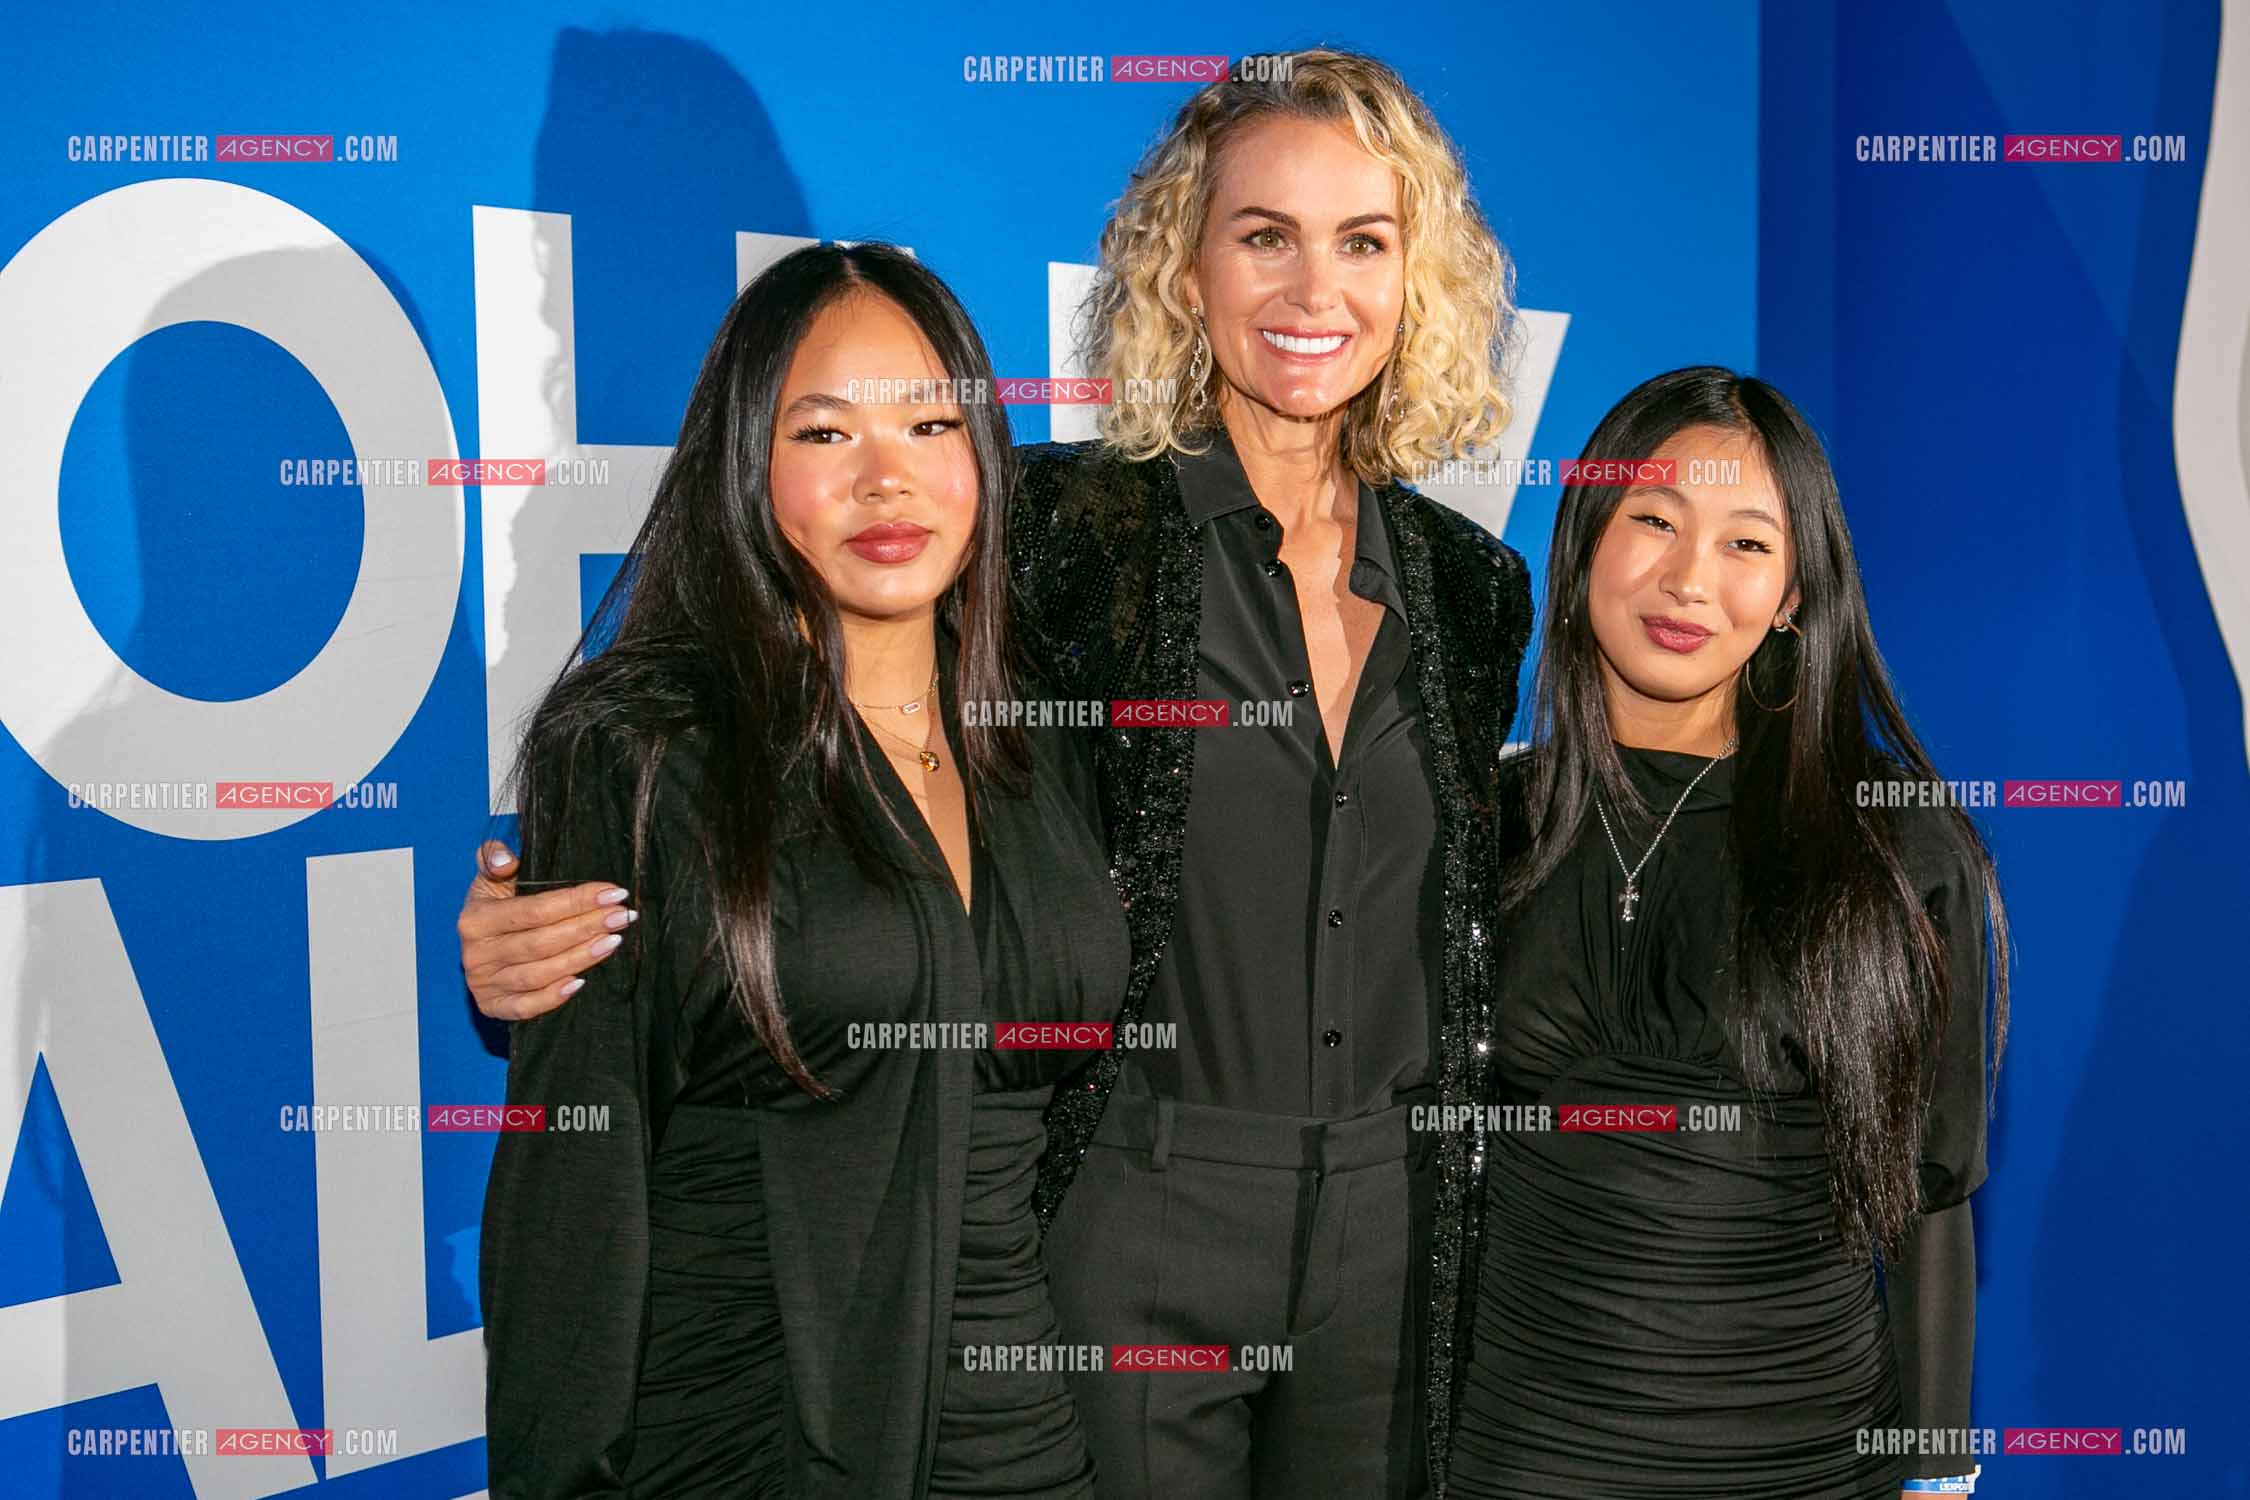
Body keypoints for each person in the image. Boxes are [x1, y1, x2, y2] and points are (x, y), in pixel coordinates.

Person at [462, 48, 1533, 1500]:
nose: (1310, 291)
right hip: (1124, 1218)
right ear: (1185, 264)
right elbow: (822, 765)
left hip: (1388, 1242)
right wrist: (531, 934)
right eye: (1261, 235)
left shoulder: (1475, 588)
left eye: (1362, 240)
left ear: (1423, 277)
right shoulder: (1056, 535)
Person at [479, 241, 1127, 1498]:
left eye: (932, 424)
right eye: (825, 435)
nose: (890, 479)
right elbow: (574, 1183)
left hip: (1020, 1438)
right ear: (747, 470)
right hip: (748, 1425)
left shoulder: (1046, 748)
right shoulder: (642, 747)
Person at [1444, 367, 2009, 1500]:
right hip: (1517, 1453)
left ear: (1798, 593)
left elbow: (1931, 1197)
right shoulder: (1473, 825)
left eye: (1747, 544)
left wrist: (1940, 1478)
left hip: (1808, 1458)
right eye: (1653, 519)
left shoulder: (1893, 851)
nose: (1688, 579)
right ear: (1585, 543)